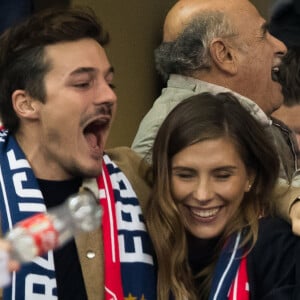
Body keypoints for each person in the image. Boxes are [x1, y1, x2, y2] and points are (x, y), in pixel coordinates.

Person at [0, 7, 156, 300]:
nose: (109, 96)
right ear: (26, 103)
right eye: (83, 84)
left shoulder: (136, 177)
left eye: (110, 82)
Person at [131, 0, 300, 228]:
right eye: (263, 35)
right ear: (224, 55)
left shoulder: (239, 117)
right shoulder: (168, 133)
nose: (280, 46)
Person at [146, 92, 300, 300]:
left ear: (250, 177)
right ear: (164, 175)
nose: (202, 194)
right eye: (185, 175)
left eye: (222, 176)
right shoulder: (142, 244)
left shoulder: (276, 249)